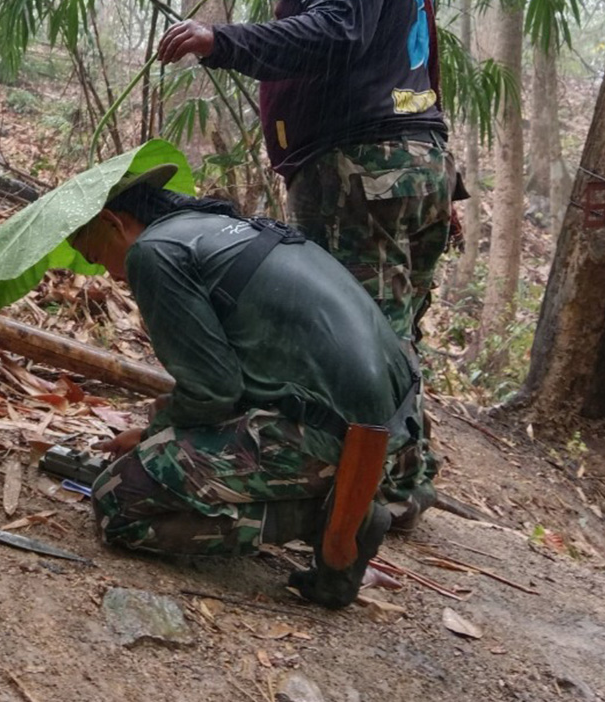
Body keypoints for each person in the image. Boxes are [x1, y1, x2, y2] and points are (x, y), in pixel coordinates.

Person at [69, 165, 435, 608]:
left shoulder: (154, 250)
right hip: (395, 431)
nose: (110, 276)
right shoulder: (219, 227)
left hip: (333, 437)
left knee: (118, 501)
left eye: (96, 257)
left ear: (113, 222)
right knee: (162, 435)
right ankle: (339, 506)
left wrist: (153, 436)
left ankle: (322, 521)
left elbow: (212, 390)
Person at [157, 0, 457, 345]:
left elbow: (334, 33)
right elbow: (406, 55)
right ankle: (400, 430)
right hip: (415, 167)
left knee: (353, 346)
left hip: (361, 174)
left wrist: (219, 40)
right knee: (392, 342)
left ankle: (368, 433)